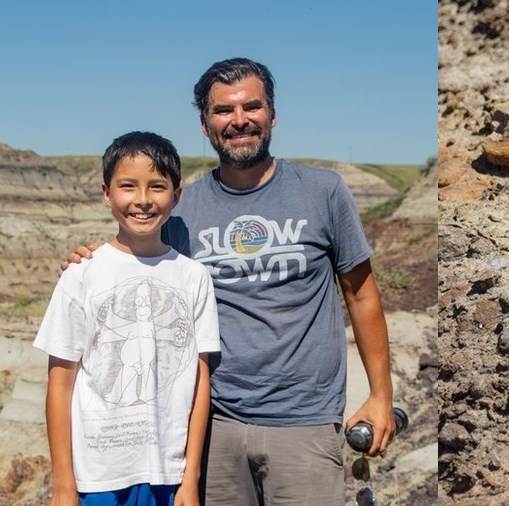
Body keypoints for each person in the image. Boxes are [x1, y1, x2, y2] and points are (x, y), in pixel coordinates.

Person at [64, 58, 395, 505]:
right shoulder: (184, 210)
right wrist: (88, 260)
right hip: (215, 425)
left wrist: (380, 394)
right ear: (205, 125)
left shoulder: (324, 191)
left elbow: (361, 294)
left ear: (272, 114)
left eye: (252, 107)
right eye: (223, 111)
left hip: (305, 422)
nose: (239, 120)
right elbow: (139, 256)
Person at [38, 131, 220, 506]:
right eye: (128, 186)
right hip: (98, 476)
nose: (142, 200)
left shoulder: (193, 277)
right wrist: (63, 485)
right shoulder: (81, 275)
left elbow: (200, 378)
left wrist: (191, 479)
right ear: (107, 194)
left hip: (168, 476)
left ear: (176, 195)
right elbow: (60, 384)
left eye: (156, 187)